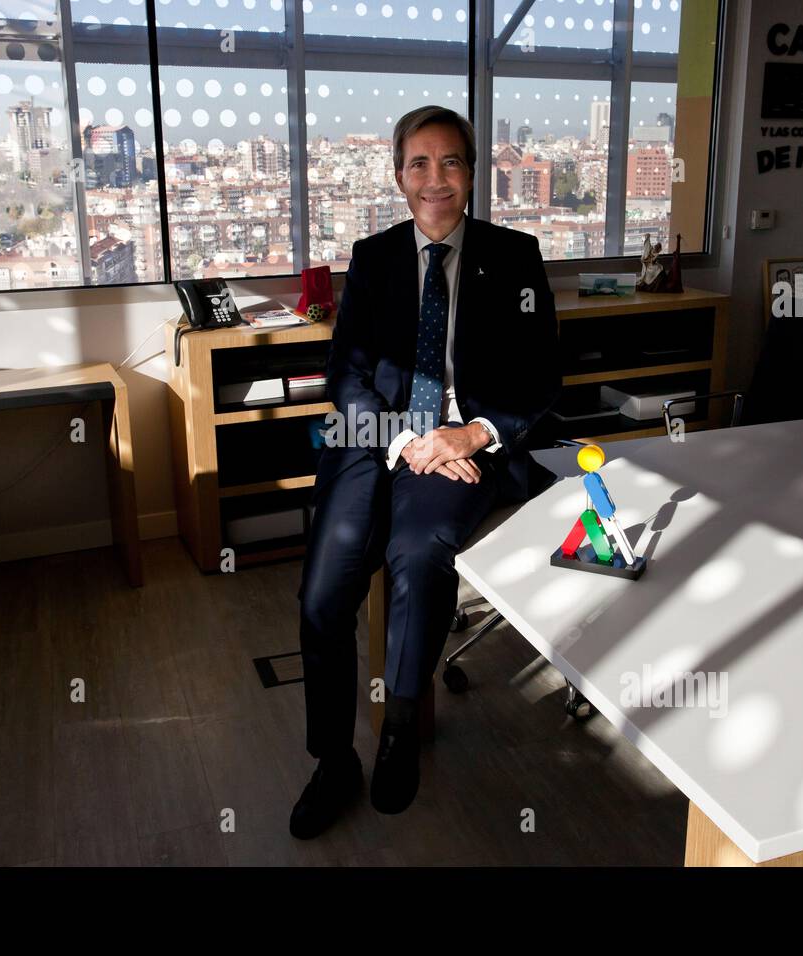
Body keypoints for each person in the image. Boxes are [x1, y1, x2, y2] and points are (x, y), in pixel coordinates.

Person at [290, 105, 561, 839]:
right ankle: (332, 758)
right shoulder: (373, 257)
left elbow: (540, 377)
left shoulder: (514, 256)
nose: (435, 179)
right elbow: (344, 373)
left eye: (451, 162)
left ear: (472, 173)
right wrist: (408, 438)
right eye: (419, 163)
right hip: (377, 439)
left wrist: (472, 434)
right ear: (398, 174)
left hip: (461, 447)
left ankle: (399, 731)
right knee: (324, 593)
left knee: (418, 553)